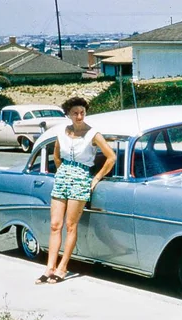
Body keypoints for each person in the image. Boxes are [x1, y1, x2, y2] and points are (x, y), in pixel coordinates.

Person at [35, 96, 116, 285]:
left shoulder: (93, 134)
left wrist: (95, 178)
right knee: (55, 225)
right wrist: (62, 172)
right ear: (68, 115)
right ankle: (49, 268)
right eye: (75, 113)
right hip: (62, 177)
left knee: (71, 225)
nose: (79, 116)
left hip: (81, 178)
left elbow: (111, 157)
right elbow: (56, 157)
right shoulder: (62, 132)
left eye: (82, 113)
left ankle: (63, 267)